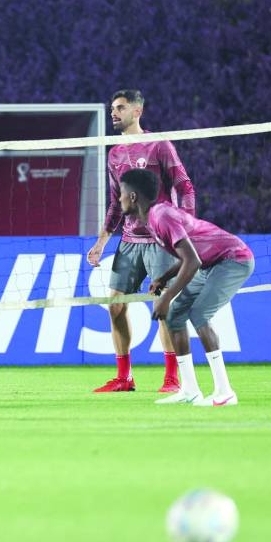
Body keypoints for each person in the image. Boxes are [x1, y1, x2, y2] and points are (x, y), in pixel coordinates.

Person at [86, 89, 196, 393]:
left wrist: (187, 225)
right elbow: (114, 202)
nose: (114, 113)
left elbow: (185, 186)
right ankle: (125, 377)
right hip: (129, 241)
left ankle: (173, 378)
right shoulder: (114, 154)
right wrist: (101, 242)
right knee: (115, 307)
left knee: (164, 307)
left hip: (160, 239)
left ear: (137, 112)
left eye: (120, 108)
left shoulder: (159, 144)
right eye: (112, 109)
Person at [118, 168, 253, 405]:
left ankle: (225, 391)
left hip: (233, 259)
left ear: (133, 197)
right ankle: (190, 390)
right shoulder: (152, 218)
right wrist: (163, 278)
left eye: (121, 193)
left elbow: (193, 261)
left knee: (199, 313)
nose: (118, 198)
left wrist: (167, 296)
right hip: (211, 263)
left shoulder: (161, 216)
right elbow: (187, 255)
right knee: (176, 316)